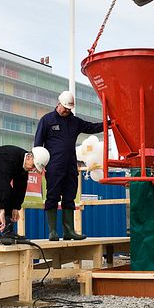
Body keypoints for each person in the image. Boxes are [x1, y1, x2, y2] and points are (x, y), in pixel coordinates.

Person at [34, 91, 105, 241]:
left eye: (69, 109)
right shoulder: (46, 120)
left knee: (69, 197)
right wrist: (39, 164)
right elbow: (38, 144)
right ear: (58, 103)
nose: (66, 111)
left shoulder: (75, 122)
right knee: (52, 196)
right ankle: (53, 231)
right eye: (65, 108)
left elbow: (92, 127)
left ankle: (69, 231)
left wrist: (109, 124)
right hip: (53, 166)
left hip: (71, 165)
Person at [0, 145, 50, 245]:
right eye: (34, 166)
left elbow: (20, 188)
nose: (33, 169)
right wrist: (2, 210)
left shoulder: (24, 164)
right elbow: (2, 184)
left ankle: (8, 232)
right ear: (29, 157)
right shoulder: (9, 158)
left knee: (9, 192)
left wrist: (15, 207)